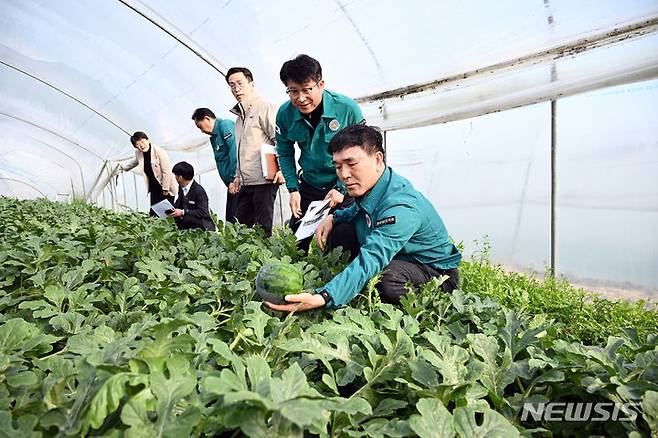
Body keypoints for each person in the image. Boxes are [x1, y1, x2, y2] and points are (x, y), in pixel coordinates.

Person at [266, 124, 462, 313]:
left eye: (351, 164)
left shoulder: (401, 207)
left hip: (435, 274)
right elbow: (356, 211)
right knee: (341, 229)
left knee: (384, 278)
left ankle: (429, 301)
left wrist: (324, 296)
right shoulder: (375, 186)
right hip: (399, 256)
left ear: (378, 160)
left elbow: (372, 257)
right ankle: (351, 282)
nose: (344, 175)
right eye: (338, 166)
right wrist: (333, 218)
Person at [275, 54, 365, 251]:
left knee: (342, 238)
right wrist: (293, 189)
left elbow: (362, 152)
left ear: (320, 84)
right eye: (293, 91)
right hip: (311, 184)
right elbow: (284, 151)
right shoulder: (284, 114)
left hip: (345, 184)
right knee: (296, 241)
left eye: (307, 90)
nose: (301, 98)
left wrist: (341, 188)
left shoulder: (347, 109)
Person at [226, 66, 284, 237]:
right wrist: (237, 177)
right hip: (246, 182)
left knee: (263, 230)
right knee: (242, 229)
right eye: (231, 85)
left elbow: (279, 139)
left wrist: (282, 170)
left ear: (251, 83)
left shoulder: (265, 107)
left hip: (265, 180)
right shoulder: (239, 119)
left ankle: (266, 263)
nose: (236, 88)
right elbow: (241, 151)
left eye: (240, 83)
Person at [191, 108, 238, 223]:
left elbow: (234, 150)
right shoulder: (215, 137)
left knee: (236, 219)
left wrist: (234, 178)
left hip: (236, 182)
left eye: (200, 126)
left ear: (207, 118)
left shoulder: (225, 125)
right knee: (231, 220)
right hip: (231, 184)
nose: (201, 130)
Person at [121, 131, 177, 216]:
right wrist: (123, 167)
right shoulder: (139, 153)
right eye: (138, 144)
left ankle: (172, 228)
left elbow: (167, 171)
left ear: (148, 140)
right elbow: (134, 162)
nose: (141, 146)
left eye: (143, 142)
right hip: (154, 187)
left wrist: (165, 188)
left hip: (166, 187)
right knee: (154, 213)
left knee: (167, 213)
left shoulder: (159, 151)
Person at [169, 161, 216, 231]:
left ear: (180, 177)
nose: (175, 178)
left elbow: (203, 212)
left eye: (175, 175)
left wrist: (183, 212)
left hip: (202, 227)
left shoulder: (199, 191)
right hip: (188, 223)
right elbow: (179, 202)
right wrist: (171, 209)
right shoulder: (181, 187)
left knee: (185, 220)